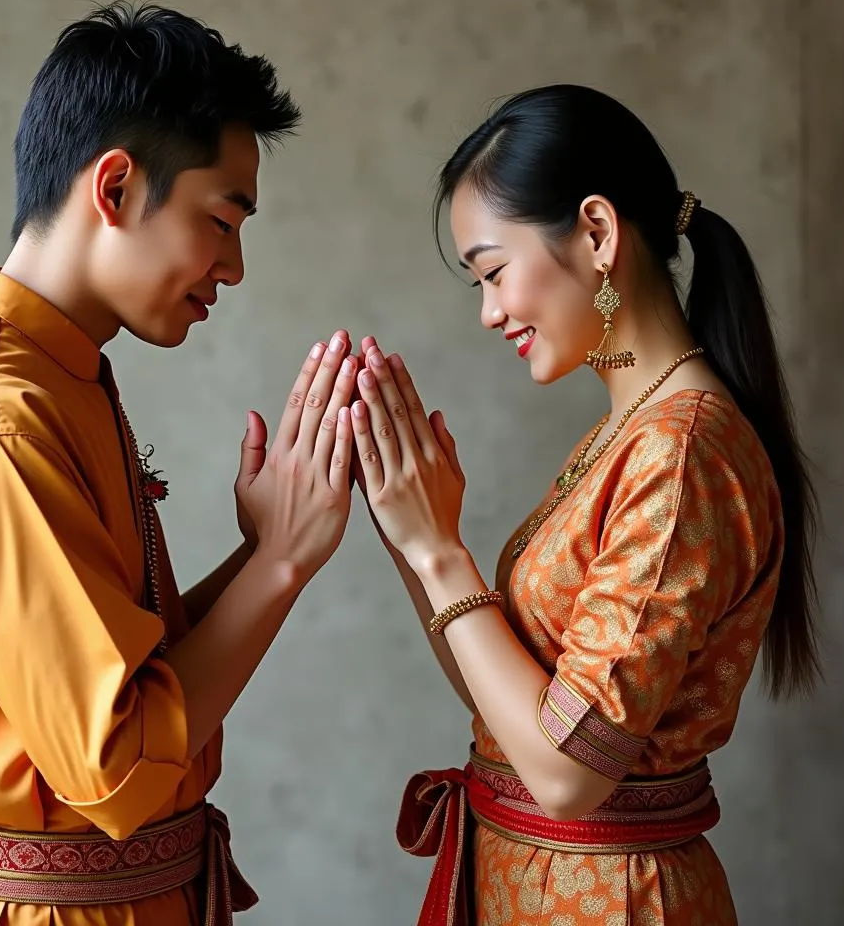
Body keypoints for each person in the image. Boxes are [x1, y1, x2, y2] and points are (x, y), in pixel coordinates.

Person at [0, 1, 359, 926]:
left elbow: (137, 679)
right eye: (221, 220)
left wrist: (264, 556)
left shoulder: (62, 377)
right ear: (118, 187)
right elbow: (120, 766)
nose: (235, 265)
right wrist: (283, 565)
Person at [350, 84, 819, 925]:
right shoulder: (631, 433)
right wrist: (410, 535)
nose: (490, 312)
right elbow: (508, 712)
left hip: (614, 902)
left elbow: (568, 773)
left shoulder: (678, 454)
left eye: (493, 272)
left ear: (597, 234)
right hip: (537, 887)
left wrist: (441, 555)